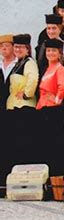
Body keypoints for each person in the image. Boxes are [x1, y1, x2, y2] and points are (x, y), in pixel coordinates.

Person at [36, 39, 64, 175]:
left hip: (54, 111)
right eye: (48, 50)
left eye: (53, 51)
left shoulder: (59, 68)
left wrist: (56, 99)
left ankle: (57, 176)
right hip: (45, 110)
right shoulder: (48, 68)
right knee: (46, 145)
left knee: (55, 144)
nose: (50, 53)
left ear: (59, 52)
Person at [7, 34, 39, 167]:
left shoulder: (29, 62)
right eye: (16, 47)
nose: (18, 49)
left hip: (24, 108)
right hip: (14, 107)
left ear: (27, 48)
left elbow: (33, 79)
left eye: (21, 47)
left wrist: (26, 94)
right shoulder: (18, 64)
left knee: (25, 140)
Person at [0, 34, 17, 187]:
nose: (3, 48)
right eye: (1, 46)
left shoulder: (18, 64)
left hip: (13, 109)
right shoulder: (0, 65)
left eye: (6, 45)